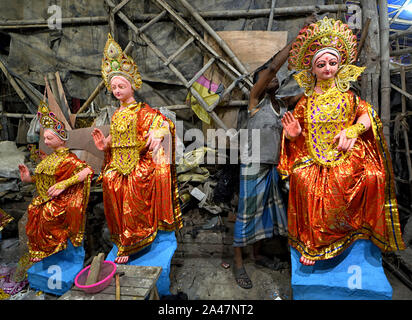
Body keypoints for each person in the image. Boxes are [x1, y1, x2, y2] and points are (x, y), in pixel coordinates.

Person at [279, 16, 405, 266]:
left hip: (346, 155)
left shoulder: (348, 97)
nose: (327, 68)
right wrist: (293, 136)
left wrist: (354, 130)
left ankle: (356, 231)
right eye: (322, 64)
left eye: (333, 63)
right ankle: (313, 243)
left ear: (340, 66)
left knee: (371, 177)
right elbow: (297, 133)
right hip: (313, 157)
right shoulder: (305, 102)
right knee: (305, 183)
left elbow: (369, 115)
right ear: (312, 69)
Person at [232, 15, 315, 289]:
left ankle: (257, 256)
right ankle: (239, 263)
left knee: (265, 213)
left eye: (275, 78)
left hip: (273, 167)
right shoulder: (254, 101)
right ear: (259, 82)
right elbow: (273, 67)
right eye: (267, 78)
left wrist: (313, 48)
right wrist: (298, 36)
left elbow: (308, 86)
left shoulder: (283, 104)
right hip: (253, 164)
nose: (273, 79)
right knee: (246, 212)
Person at [91, 34, 183, 264]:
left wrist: (157, 133)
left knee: (135, 183)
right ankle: (122, 237)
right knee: (110, 179)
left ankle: (135, 240)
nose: (117, 90)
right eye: (113, 87)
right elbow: (116, 136)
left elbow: (163, 123)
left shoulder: (142, 110)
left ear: (132, 86)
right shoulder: (117, 114)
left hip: (139, 161)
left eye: (121, 85)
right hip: (118, 163)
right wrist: (105, 143)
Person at [18, 101, 94, 262]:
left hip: (61, 200)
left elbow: (88, 171)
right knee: (34, 210)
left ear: (61, 139)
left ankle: (54, 247)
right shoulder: (48, 158)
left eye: (49, 138)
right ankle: (41, 251)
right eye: (44, 138)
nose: (45, 142)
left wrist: (63, 184)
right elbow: (42, 179)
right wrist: (27, 179)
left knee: (48, 213)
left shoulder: (69, 159)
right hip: (44, 198)